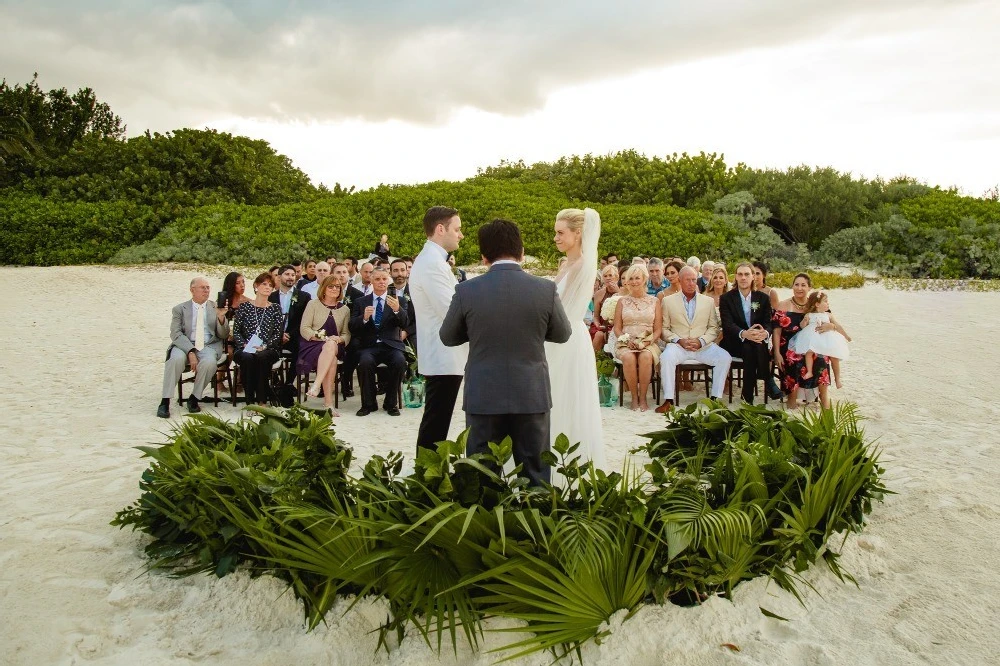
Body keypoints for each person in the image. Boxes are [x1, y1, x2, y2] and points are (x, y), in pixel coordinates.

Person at [440, 218, 572, 487]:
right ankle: (536, 527)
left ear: (484, 257)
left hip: (484, 395)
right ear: (521, 252)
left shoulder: (466, 290)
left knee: (481, 475)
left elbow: (448, 337)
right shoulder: (545, 289)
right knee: (536, 476)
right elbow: (562, 334)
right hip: (531, 393)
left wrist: (475, 331)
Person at [546, 207, 605, 470]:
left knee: (564, 398)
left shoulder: (582, 265)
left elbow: (560, 307)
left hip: (566, 338)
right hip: (560, 335)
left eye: (561, 233)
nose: (556, 238)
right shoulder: (569, 264)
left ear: (578, 233)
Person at [409, 206, 468, 451]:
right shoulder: (432, 263)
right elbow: (451, 310)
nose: (461, 235)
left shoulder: (433, 260)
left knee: (437, 418)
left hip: (444, 352)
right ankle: (427, 474)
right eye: (457, 229)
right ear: (440, 229)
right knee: (436, 420)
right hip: (443, 352)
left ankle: (429, 471)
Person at [654, 267, 732, 412]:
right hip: (678, 346)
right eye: (687, 280)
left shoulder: (708, 301)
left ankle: (715, 400)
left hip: (703, 346)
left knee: (724, 357)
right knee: (666, 357)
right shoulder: (668, 301)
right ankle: (669, 400)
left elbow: (713, 328)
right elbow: (664, 329)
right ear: (680, 280)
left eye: (693, 280)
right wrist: (678, 340)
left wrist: (701, 341)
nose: (691, 283)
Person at [158, 276, 230, 418]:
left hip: (208, 345)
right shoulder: (180, 309)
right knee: (175, 359)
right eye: (202, 287)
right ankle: (165, 401)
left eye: (208, 287)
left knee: (209, 362)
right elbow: (175, 333)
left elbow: (224, 334)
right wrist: (190, 351)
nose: (206, 290)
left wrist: (221, 318)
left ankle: (194, 398)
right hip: (184, 344)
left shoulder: (215, 307)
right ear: (192, 290)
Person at [349, 267, 409, 416]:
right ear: (371, 280)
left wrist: (397, 310)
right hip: (369, 346)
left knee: (400, 361)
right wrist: (363, 318)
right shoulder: (361, 301)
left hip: (391, 345)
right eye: (377, 279)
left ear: (388, 280)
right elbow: (352, 326)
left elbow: (405, 323)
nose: (381, 282)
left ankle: (390, 403)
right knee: (365, 362)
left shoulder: (398, 300)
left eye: (384, 279)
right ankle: (369, 404)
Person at [773, 274, 832, 409]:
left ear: (809, 287)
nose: (799, 288)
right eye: (796, 284)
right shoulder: (783, 305)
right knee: (794, 359)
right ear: (792, 286)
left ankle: (824, 399)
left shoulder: (816, 305)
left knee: (822, 359)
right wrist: (776, 352)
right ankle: (792, 402)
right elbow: (776, 331)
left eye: (803, 285)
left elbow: (830, 320)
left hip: (813, 344)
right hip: (788, 345)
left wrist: (831, 326)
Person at [719, 262, 774, 404]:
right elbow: (727, 325)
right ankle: (768, 380)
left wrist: (765, 333)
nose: (743, 278)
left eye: (747, 274)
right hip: (734, 342)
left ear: (753, 277)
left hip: (756, 341)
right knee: (752, 346)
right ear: (735, 277)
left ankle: (747, 395)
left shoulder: (763, 298)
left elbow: (769, 323)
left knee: (751, 348)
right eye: (740, 274)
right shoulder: (726, 298)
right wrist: (744, 333)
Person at [613, 263, 662, 411]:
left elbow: (658, 329)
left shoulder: (655, 301)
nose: (634, 282)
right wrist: (626, 340)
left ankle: (643, 397)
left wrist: (647, 342)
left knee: (645, 357)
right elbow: (617, 328)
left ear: (644, 280)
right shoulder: (622, 301)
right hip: (625, 341)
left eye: (637, 278)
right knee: (628, 357)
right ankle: (634, 398)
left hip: (648, 341)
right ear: (626, 281)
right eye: (631, 278)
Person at [300, 276, 351, 415]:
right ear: (324, 288)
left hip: (335, 346)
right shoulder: (313, 304)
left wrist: (339, 339)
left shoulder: (345, 309)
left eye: (337, 286)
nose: (334, 289)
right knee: (332, 358)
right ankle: (328, 404)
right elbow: (304, 328)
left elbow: (347, 334)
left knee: (330, 346)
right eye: (331, 286)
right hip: (312, 345)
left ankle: (316, 385)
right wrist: (322, 337)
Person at [232, 273, 284, 405]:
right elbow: (236, 331)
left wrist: (265, 346)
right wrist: (244, 345)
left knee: (262, 357)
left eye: (270, 285)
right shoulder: (244, 307)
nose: (267, 287)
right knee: (248, 358)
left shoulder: (275, 308)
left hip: (268, 348)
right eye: (264, 284)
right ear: (256, 286)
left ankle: (262, 400)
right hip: (245, 347)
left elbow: (278, 333)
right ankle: (249, 401)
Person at [790, 291, 851, 389]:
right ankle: (809, 371)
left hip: (828, 339)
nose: (828, 303)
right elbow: (802, 326)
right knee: (809, 353)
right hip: (813, 338)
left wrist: (846, 336)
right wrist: (805, 321)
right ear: (817, 304)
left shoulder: (828, 315)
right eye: (825, 301)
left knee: (834, 357)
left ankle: (837, 379)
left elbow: (838, 326)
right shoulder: (809, 315)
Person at [591, 264, 619, 352]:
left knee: (610, 334)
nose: (608, 278)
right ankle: (595, 359)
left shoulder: (623, 292)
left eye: (610, 275)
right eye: (605, 276)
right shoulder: (599, 294)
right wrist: (597, 324)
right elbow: (596, 316)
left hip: (618, 325)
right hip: (602, 324)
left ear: (616, 277)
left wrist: (618, 292)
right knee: (599, 335)